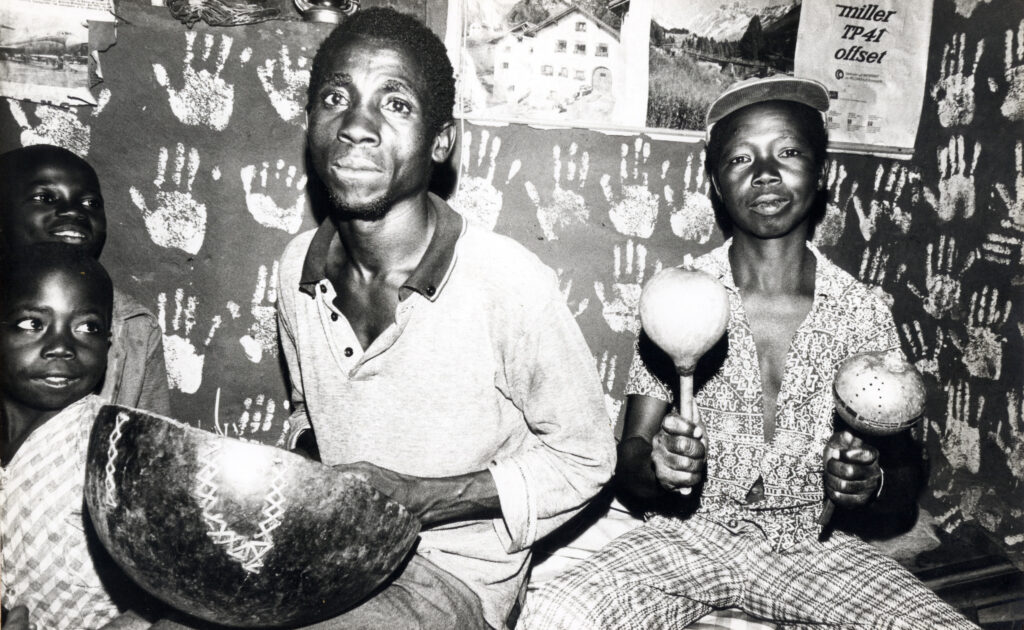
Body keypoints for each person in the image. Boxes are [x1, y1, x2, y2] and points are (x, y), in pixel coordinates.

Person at [521, 75, 978, 629]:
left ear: (822, 170)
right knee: (555, 613)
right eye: (740, 159)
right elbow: (630, 458)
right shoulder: (678, 299)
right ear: (716, 182)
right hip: (686, 542)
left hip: (814, 550)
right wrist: (660, 468)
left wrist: (870, 482)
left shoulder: (862, 312)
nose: (765, 173)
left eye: (787, 152)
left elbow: (902, 484)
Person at [273, 8, 615, 630]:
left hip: (449, 579)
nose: (357, 126)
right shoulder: (297, 268)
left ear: (441, 141)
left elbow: (587, 458)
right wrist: (300, 471)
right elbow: (310, 412)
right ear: (310, 124)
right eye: (335, 97)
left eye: (395, 104)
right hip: (327, 560)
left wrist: (420, 498)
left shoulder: (508, 283)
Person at [1, 243, 154, 630]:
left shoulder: (119, 453)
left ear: (108, 345)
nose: (61, 347)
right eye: (32, 323)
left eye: (87, 327)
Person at [0, 145, 170, 416]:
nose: (75, 212)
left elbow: (151, 443)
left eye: (91, 203)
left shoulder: (134, 325)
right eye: (44, 197)